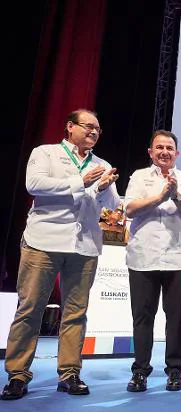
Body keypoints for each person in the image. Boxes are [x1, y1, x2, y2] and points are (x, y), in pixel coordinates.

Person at [1, 109, 120, 401]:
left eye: (98, 129)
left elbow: (114, 205)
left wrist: (104, 188)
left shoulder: (102, 164)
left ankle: (69, 373)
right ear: (70, 127)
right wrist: (82, 181)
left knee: (76, 313)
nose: (93, 132)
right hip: (44, 241)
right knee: (30, 309)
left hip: (84, 246)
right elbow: (35, 185)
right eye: (88, 126)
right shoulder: (46, 153)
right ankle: (17, 374)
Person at [124, 130, 181, 393]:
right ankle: (140, 371)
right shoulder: (138, 176)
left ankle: (175, 371)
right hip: (142, 257)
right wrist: (159, 197)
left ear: (177, 153)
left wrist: (176, 194)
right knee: (142, 317)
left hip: (177, 258)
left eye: (170, 148)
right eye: (160, 147)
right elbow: (130, 209)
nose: (165, 152)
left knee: (176, 317)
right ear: (150, 152)